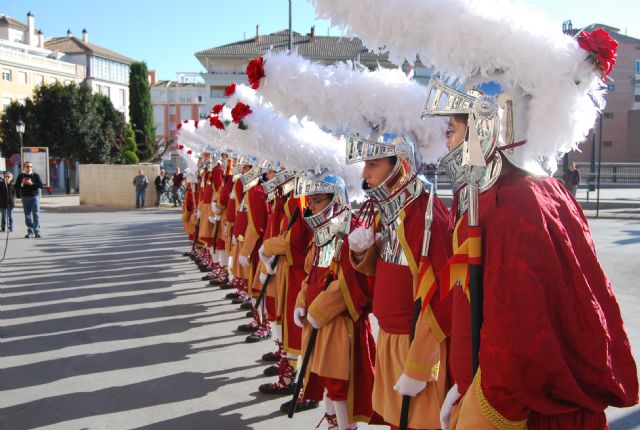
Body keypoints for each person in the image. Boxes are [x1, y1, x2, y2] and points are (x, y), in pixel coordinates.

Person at [348, 134, 451, 430]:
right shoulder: (389, 212)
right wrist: (365, 254)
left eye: (373, 164)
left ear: (400, 165)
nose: (365, 174)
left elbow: (440, 298)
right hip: (391, 339)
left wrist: (420, 366)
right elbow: (384, 278)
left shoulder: (422, 213)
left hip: (414, 343)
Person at [15, 162, 43, 238]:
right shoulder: (21, 176)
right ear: (24, 167)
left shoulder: (35, 175)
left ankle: (36, 232)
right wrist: (22, 183)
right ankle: (30, 231)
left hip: (34, 197)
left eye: (30, 166)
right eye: (27, 166)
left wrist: (31, 184)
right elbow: (16, 186)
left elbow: (40, 185)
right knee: (27, 216)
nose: (29, 167)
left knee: (36, 214)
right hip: (25, 197)